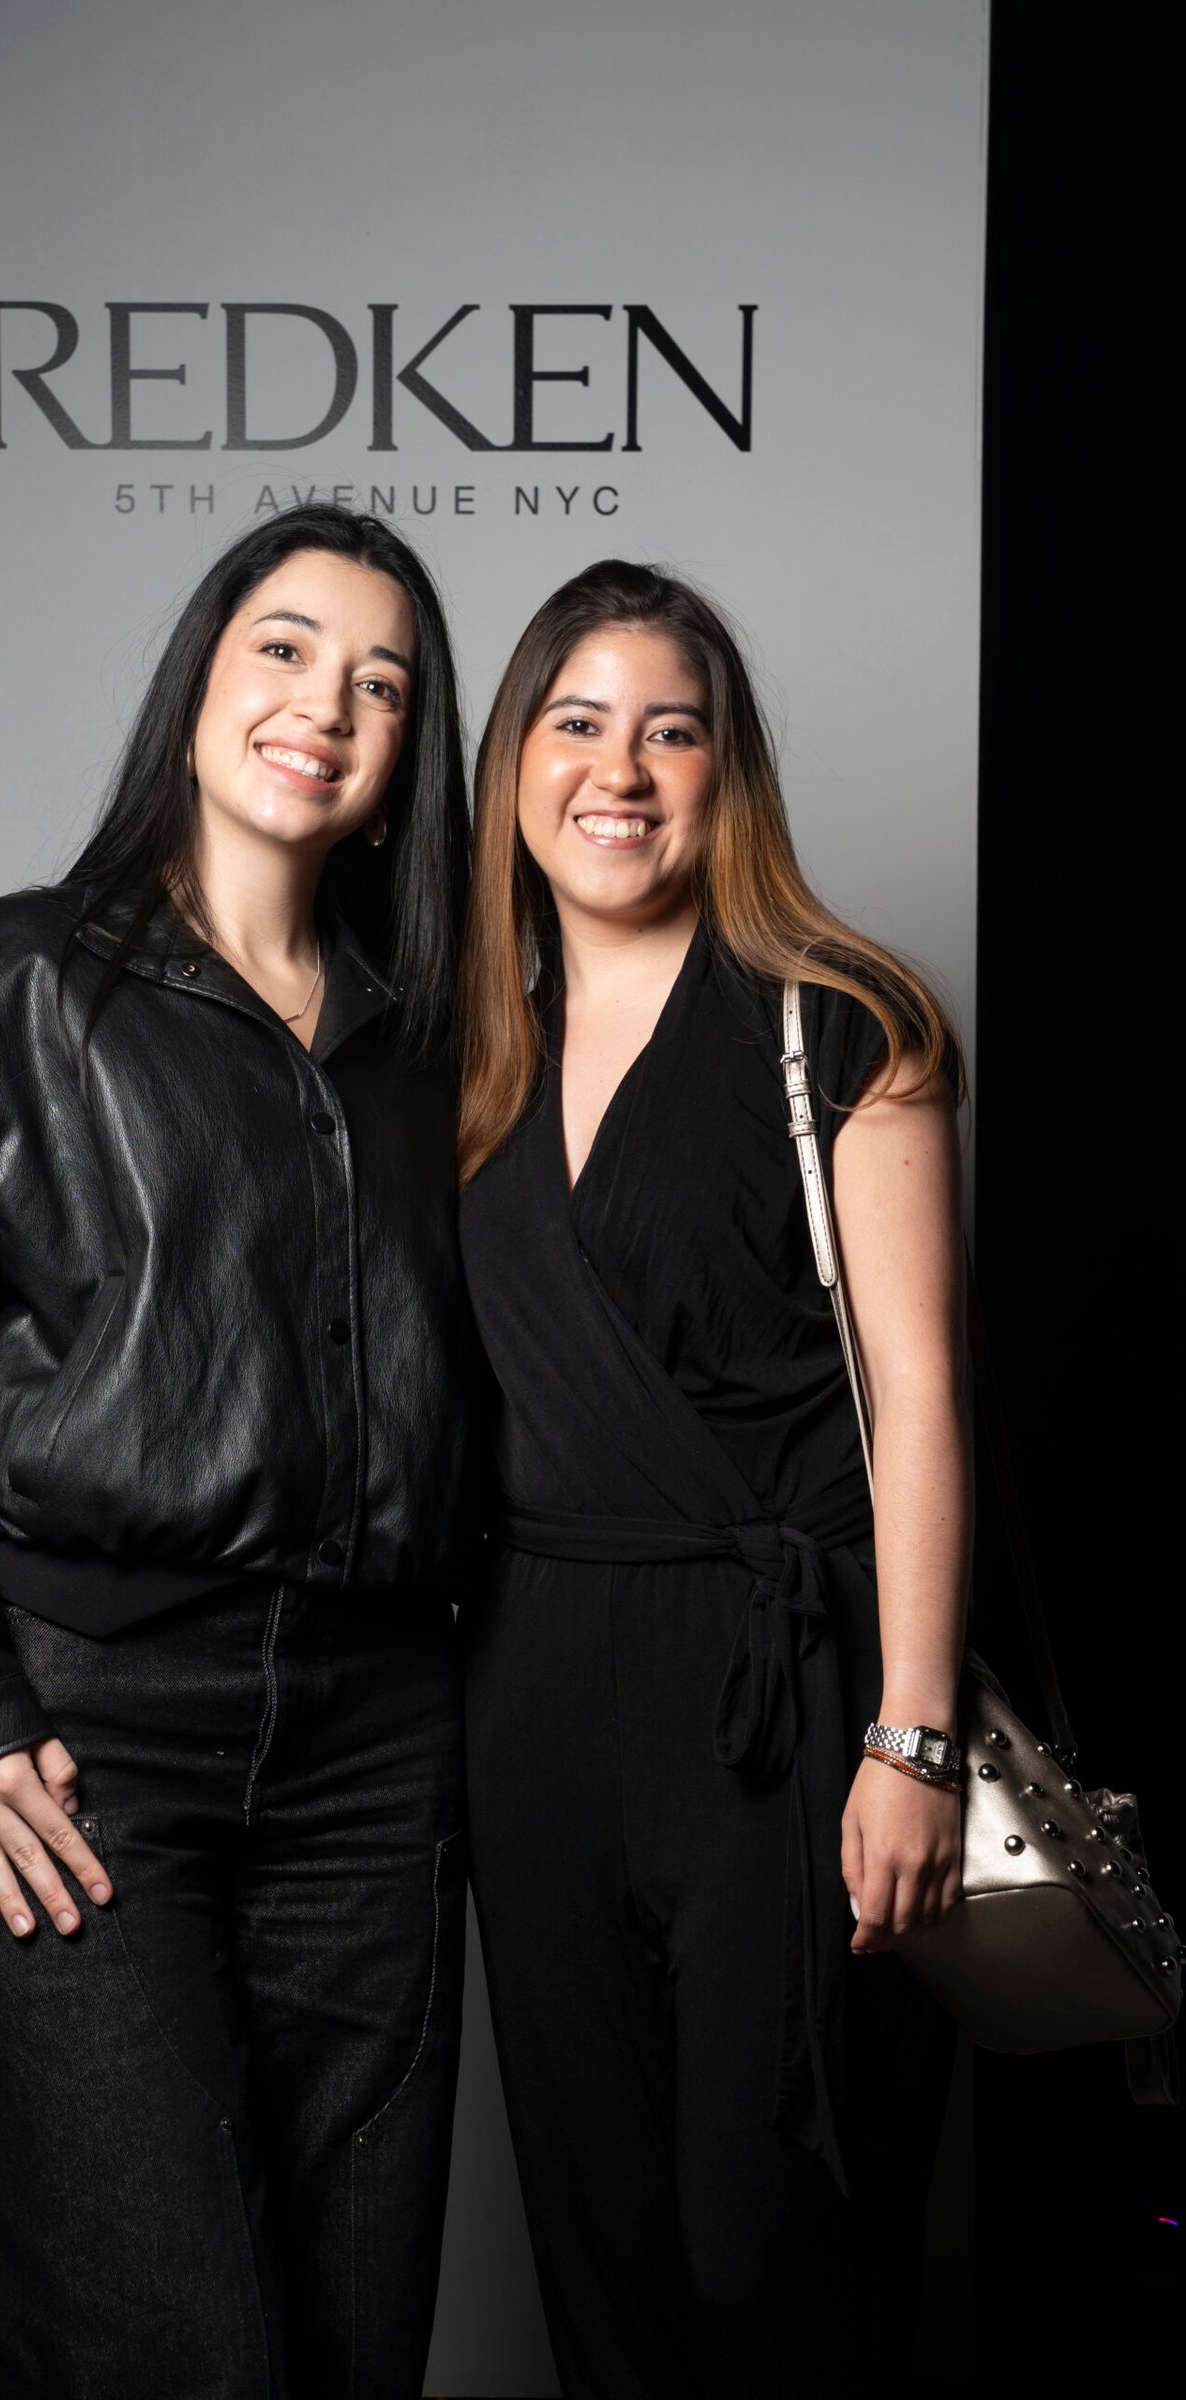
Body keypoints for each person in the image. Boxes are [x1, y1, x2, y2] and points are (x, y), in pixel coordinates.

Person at [0, 504, 473, 2400]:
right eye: (284, 649)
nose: (324, 705)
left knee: (347, 2332)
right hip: (91, 1733)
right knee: (154, 2337)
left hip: (378, 1753)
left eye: (382, 683)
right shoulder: (12, 982)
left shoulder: (437, 1042)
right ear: (198, 685)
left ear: (409, 755)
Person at [456, 561, 966, 2396]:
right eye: (577, 723)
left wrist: (913, 1738)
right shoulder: (466, 1054)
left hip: (782, 1697)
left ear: (724, 772)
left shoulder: (841, 1021)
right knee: (597, 2247)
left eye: (670, 730)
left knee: (766, 2250)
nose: (620, 769)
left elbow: (920, 1396)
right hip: (529, 1697)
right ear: (514, 761)